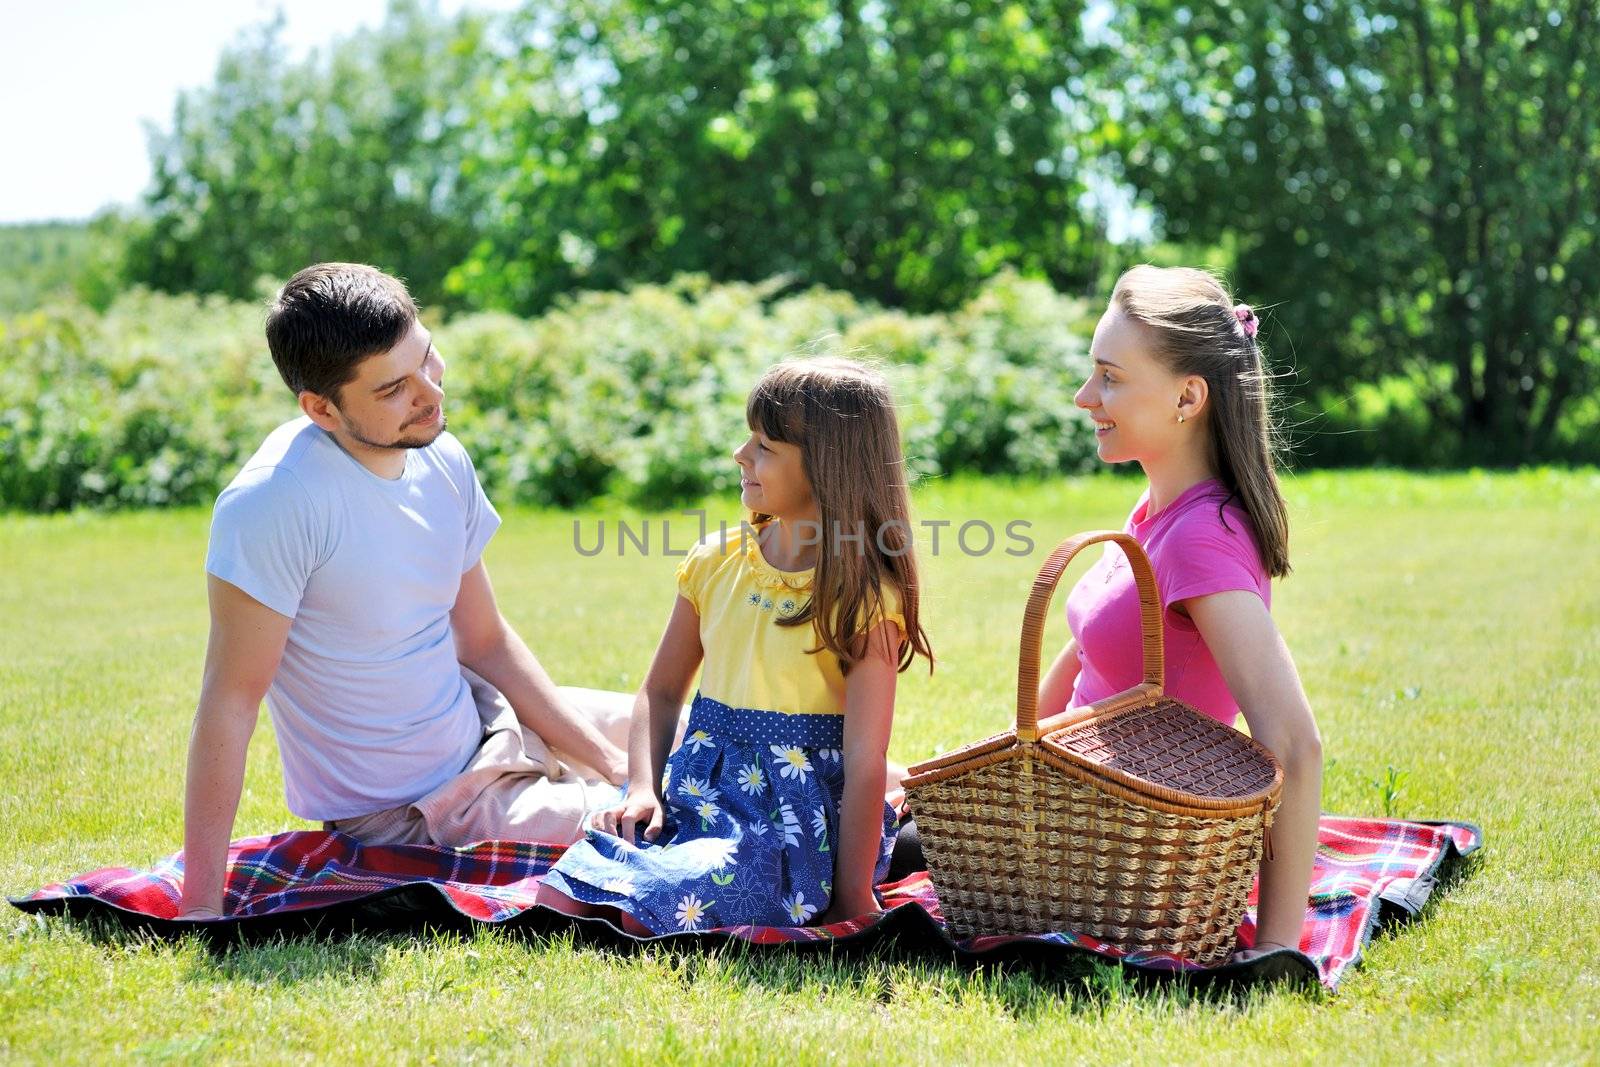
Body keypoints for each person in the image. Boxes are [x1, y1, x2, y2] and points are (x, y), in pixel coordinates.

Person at [179, 262, 631, 919]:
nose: (429, 395)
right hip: (412, 812)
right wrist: (200, 905)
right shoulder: (275, 501)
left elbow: (486, 640)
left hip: (486, 718)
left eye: (427, 359)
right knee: (665, 818)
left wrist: (611, 760)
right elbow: (230, 701)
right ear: (321, 408)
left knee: (703, 737)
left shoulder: (440, 455)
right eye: (393, 388)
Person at [538, 358, 935, 932]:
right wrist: (644, 788)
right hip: (698, 788)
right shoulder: (714, 561)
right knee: (564, 896)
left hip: (786, 820)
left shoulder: (863, 596)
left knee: (652, 910)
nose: (741, 455)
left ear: (828, 467)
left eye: (765, 445)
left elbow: (865, 761)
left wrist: (852, 895)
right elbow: (662, 690)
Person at [1037, 265, 1323, 963]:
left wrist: (1276, 949)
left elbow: (1295, 744)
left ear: (1187, 397)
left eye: (1109, 376)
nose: (1085, 397)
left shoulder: (1202, 539)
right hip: (1069, 811)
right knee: (878, 790)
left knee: (859, 826)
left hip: (1121, 852)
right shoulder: (1156, 511)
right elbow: (1090, 653)